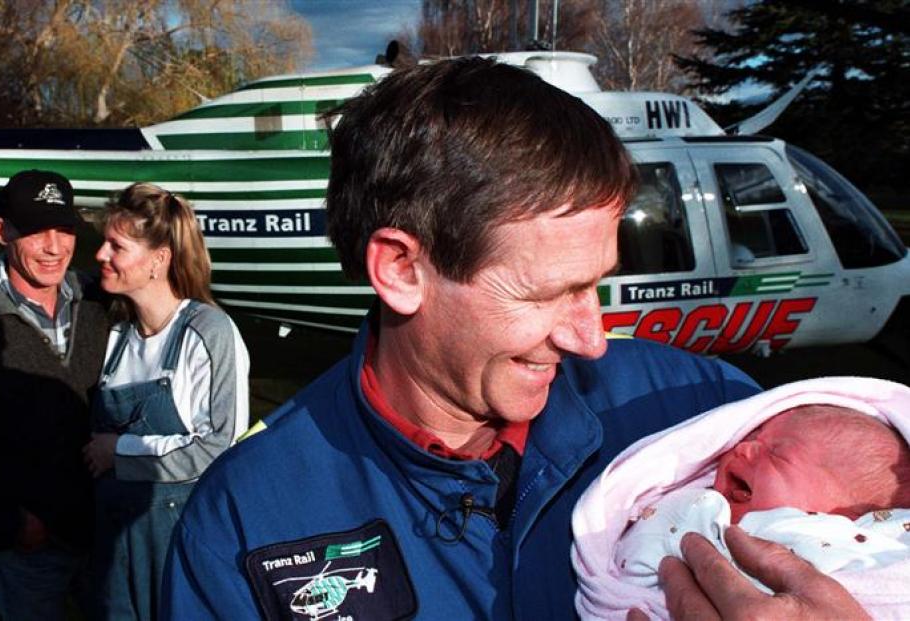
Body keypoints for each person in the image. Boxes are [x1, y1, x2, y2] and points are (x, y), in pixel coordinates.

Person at [161, 56, 861, 620]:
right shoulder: (245, 521)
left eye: (596, 282)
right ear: (402, 269)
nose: (593, 337)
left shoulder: (712, 412)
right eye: (549, 291)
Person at [572, 376, 910, 620]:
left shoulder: (875, 550)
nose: (744, 447)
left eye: (777, 453)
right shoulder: (699, 510)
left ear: (846, 514)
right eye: (752, 435)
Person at [82, 182, 250, 620]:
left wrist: (120, 451)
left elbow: (219, 447)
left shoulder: (209, 333)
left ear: (159, 259)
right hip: (113, 546)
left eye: (116, 246)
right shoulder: (115, 339)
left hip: (178, 542)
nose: (100, 255)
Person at [0, 169, 111, 620]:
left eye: (64, 230)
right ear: (1, 231)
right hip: (26, 551)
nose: (54, 247)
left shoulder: (104, 301)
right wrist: (9, 524)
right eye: (35, 230)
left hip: (108, 537)